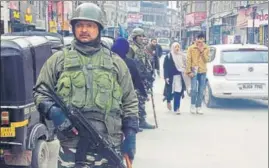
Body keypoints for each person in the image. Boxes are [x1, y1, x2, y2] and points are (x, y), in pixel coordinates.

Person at [33, 3, 139, 167]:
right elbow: (40, 91)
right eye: (80, 25)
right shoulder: (59, 59)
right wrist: (55, 113)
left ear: (99, 28)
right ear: (74, 28)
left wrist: (131, 134)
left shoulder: (115, 62)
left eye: (89, 25)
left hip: (108, 144)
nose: (84, 30)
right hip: (71, 146)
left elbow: (130, 100)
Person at [111, 37, 148, 132]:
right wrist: (144, 92)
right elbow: (137, 79)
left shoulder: (107, 59)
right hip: (127, 91)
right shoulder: (129, 62)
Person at [127, 28, 156, 129]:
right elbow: (129, 64)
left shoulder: (142, 48)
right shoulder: (131, 48)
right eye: (140, 36)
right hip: (135, 80)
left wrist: (150, 73)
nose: (142, 38)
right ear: (135, 37)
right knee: (135, 102)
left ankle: (141, 120)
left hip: (144, 78)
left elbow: (146, 62)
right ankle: (135, 123)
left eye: (143, 36)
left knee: (142, 100)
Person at [186, 33, 209, 114]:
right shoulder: (191, 48)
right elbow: (188, 60)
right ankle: (192, 105)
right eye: (199, 39)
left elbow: (206, 60)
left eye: (202, 39)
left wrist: (202, 51)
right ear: (196, 39)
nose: (200, 41)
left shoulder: (206, 48)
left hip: (203, 71)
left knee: (201, 89)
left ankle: (198, 106)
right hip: (194, 71)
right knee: (194, 89)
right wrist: (188, 71)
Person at [163, 42, 186, 114]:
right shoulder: (169, 56)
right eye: (175, 47)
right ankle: (168, 100)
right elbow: (165, 68)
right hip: (171, 77)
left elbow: (186, 65)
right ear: (172, 48)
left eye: (178, 47)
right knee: (169, 92)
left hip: (179, 77)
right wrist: (166, 77)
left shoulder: (182, 56)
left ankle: (177, 108)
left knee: (178, 92)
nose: (177, 48)